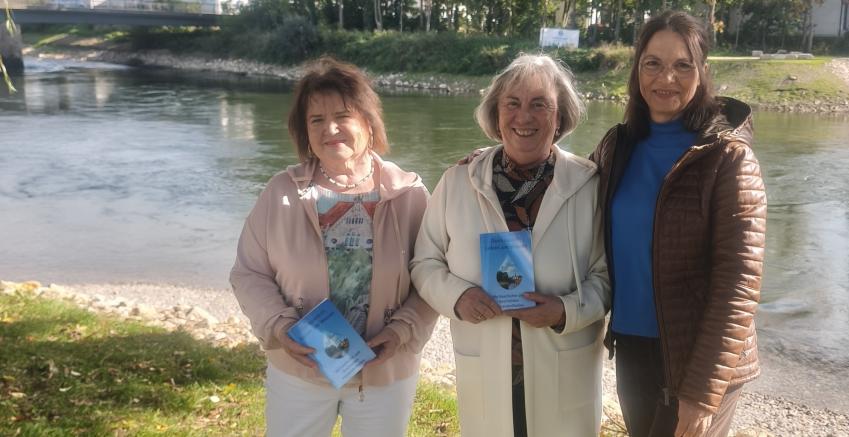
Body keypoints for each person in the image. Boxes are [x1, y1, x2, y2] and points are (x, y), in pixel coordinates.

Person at [229, 56, 437, 437]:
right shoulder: (281, 193)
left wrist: (402, 330)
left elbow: (433, 276)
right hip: (300, 371)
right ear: (303, 130)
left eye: (343, 115)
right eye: (317, 120)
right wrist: (281, 327)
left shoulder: (409, 194)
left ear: (368, 121)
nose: (331, 129)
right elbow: (248, 272)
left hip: (384, 373)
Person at [411, 54, 611, 437]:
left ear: (560, 116)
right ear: (496, 113)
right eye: (513, 103)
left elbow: (607, 277)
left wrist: (565, 310)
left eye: (540, 104)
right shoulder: (458, 181)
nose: (525, 117)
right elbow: (425, 261)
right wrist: (458, 297)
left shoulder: (588, 185)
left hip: (563, 364)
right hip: (485, 359)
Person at [589, 11, 767, 437]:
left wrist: (704, 389)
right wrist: (495, 160)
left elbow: (739, 282)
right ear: (636, 70)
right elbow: (569, 193)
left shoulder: (729, 159)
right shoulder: (619, 145)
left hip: (697, 357)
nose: (665, 78)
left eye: (682, 65)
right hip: (633, 345)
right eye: (653, 63)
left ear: (702, 72)